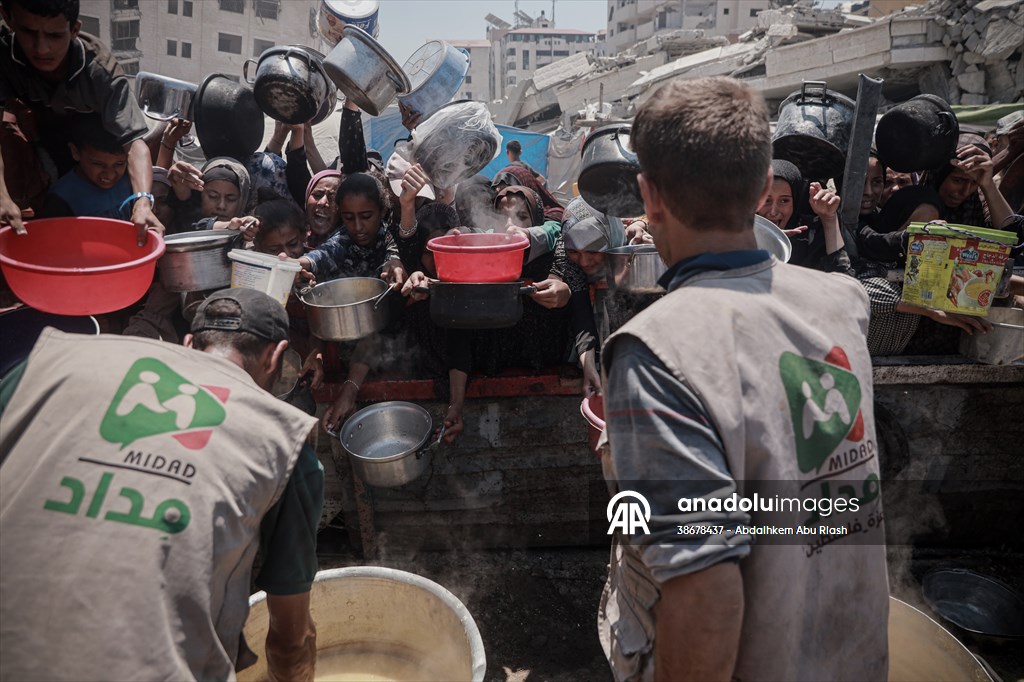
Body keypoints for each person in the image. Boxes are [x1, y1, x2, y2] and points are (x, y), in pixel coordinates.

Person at [599, 76, 888, 681]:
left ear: (648, 196)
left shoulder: (658, 350)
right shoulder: (843, 302)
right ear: (762, 188)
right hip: (851, 658)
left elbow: (707, 594)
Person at [0, 288, 322, 681]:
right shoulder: (279, 440)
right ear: (277, 356)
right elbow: (291, 642)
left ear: (188, 342)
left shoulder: (46, 369)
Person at [0, 0, 161, 241]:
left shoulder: (102, 72)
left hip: (92, 145)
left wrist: (143, 202)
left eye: (54, 36)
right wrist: (2, 196)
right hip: (39, 138)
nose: (41, 49)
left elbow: (134, 143)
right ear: (8, 19)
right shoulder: (4, 57)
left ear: (75, 29)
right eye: (28, 33)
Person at [44, 115, 131, 218]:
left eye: (119, 164)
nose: (110, 175)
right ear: (75, 152)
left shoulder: (130, 179)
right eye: (98, 164)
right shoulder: (61, 199)